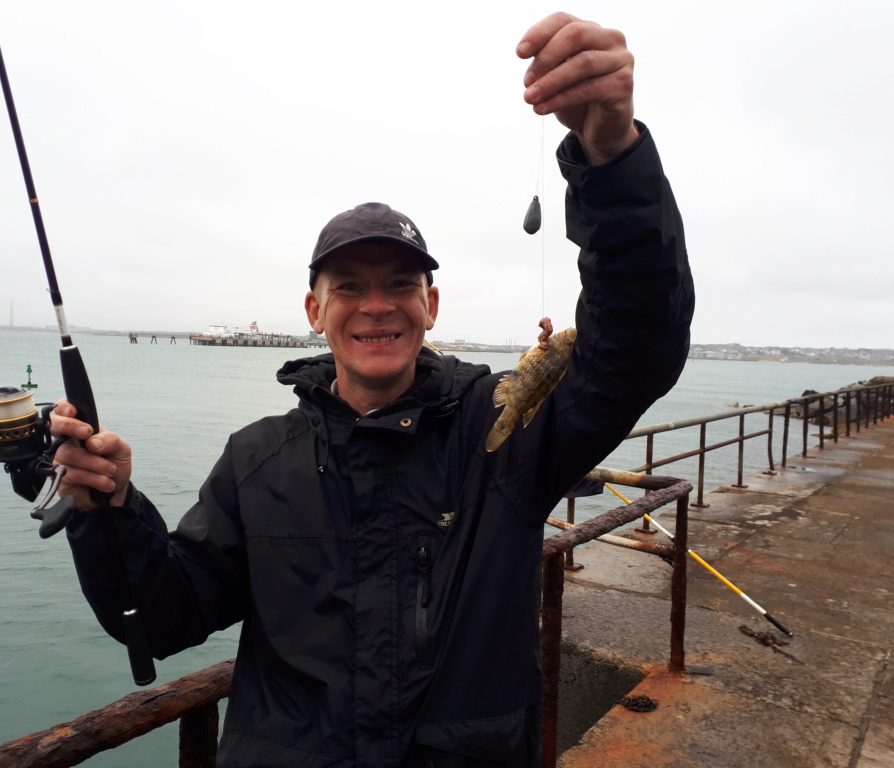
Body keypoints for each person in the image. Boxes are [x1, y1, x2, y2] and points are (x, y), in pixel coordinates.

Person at [50, 11, 694, 767]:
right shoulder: (256, 461)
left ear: (432, 306)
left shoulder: (506, 435)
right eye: (350, 285)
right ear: (314, 311)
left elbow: (636, 345)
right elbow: (161, 619)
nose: (378, 304)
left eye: (400, 284)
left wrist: (610, 157)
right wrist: (111, 512)